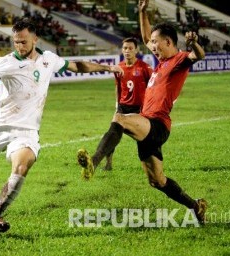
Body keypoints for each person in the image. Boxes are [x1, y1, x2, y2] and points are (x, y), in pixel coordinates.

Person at [0, 18, 123, 233]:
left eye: (23, 41)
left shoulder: (48, 59)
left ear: (35, 39)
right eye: (16, 42)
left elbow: (77, 66)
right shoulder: (6, 62)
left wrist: (106, 67)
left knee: (22, 166)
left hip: (26, 131)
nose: (19, 46)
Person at [77, 0, 208, 224]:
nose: (152, 46)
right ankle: (196, 206)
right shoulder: (162, 61)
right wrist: (143, 11)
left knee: (120, 119)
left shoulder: (178, 60)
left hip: (157, 124)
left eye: (156, 43)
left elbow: (199, 56)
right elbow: (147, 35)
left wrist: (194, 43)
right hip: (148, 126)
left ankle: (94, 162)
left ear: (168, 42)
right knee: (157, 181)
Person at [98, 37, 153, 172]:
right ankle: (108, 164)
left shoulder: (144, 67)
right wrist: (117, 106)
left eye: (130, 48)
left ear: (136, 50)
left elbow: (152, 88)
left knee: (144, 138)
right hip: (123, 107)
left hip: (139, 108)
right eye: (124, 48)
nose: (127, 51)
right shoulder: (119, 67)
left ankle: (151, 164)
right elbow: (118, 87)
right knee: (112, 135)